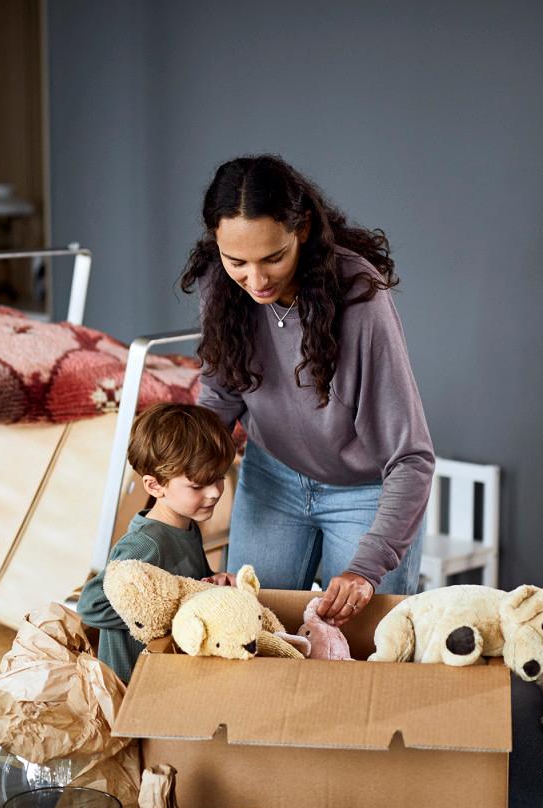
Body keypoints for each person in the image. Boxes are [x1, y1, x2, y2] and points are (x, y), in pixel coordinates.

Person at [180, 154, 435, 628]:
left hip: (364, 492)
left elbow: (412, 458)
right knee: (249, 631)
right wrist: (175, 488)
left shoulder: (360, 296)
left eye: (273, 258)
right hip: (272, 479)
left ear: (302, 229)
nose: (256, 281)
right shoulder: (220, 284)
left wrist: (366, 568)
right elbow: (220, 399)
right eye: (237, 261)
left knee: (365, 651)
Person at [77, 402, 237, 683]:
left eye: (218, 479)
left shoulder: (187, 525)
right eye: (198, 486)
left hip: (167, 671)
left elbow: (187, 585)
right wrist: (164, 610)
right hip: (133, 683)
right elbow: (91, 605)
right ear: (154, 486)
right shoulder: (146, 543)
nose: (213, 493)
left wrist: (213, 583)